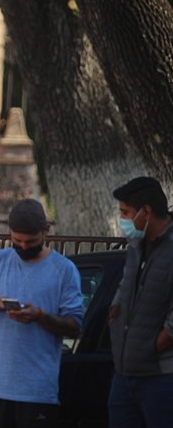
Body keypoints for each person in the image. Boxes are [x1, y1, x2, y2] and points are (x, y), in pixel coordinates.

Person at [0, 198, 83, 428]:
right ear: (10, 232)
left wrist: (39, 316)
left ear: (46, 230)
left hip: (38, 393)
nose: (24, 247)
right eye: (17, 241)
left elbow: (75, 326)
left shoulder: (64, 270)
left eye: (31, 242)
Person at [108, 177, 173, 427]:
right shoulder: (136, 245)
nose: (122, 219)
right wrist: (114, 317)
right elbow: (124, 285)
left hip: (162, 377)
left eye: (125, 212)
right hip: (124, 375)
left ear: (146, 212)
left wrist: (153, 346)